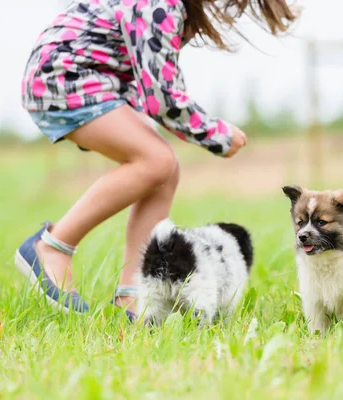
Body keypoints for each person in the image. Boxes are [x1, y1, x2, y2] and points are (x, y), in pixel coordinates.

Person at [16, 0, 297, 320]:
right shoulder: (158, 4)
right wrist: (215, 134)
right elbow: (162, 98)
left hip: (97, 83)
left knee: (165, 170)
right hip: (65, 78)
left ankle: (132, 296)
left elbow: (155, 83)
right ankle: (53, 245)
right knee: (156, 161)